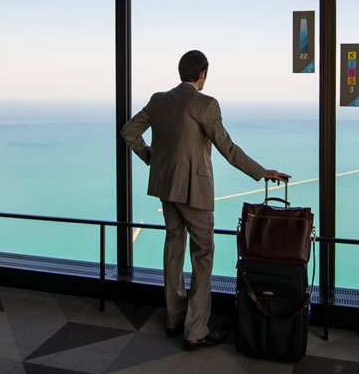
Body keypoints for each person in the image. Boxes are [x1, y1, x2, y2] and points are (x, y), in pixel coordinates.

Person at [121, 50, 290, 351]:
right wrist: (262, 172)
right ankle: (195, 330)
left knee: (174, 249)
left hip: (165, 188)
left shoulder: (159, 100)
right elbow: (228, 148)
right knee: (203, 255)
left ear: (181, 72)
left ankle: (175, 319)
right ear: (202, 75)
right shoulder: (205, 104)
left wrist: (152, 159)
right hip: (194, 194)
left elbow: (129, 132)